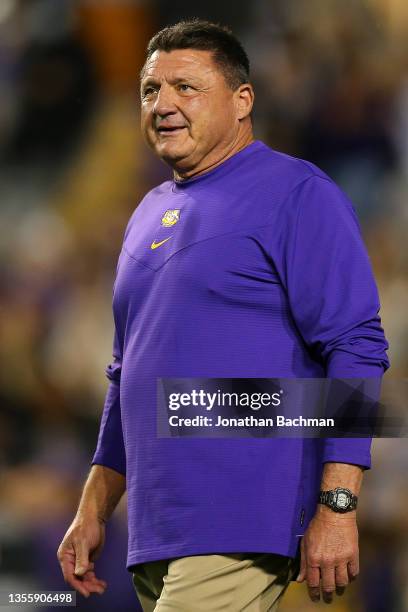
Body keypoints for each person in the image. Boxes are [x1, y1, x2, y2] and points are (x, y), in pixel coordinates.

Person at [57, 20, 389, 611]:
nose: (163, 104)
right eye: (150, 90)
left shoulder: (295, 193)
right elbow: (125, 375)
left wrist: (338, 506)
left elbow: (357, 346)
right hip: (157, 529)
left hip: (241, 519)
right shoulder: (146, 212)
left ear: (242, 101)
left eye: (186, 87)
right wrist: (92, 508)